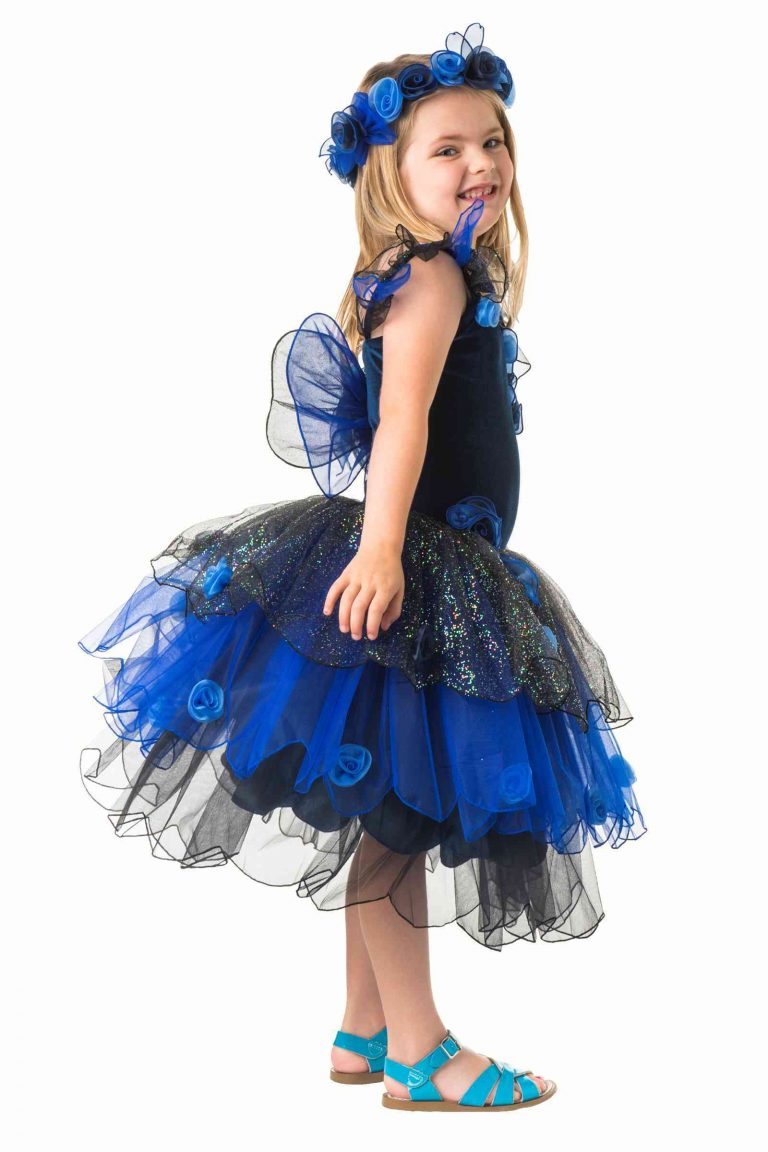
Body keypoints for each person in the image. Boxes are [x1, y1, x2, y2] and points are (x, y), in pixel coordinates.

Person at [77, 21, 647, 1112]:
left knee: (374, 796)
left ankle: (365, 1024)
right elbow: (401, 422)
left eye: (492, 142)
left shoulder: (439, 270)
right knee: (396, 817)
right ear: (393, 171)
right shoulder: (431, 275)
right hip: (414, 568)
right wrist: (383, 546)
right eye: (448, 148)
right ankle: (423, 1052)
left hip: (431, 559)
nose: (479, 163)